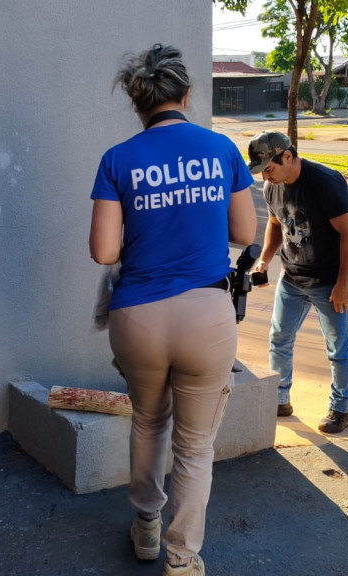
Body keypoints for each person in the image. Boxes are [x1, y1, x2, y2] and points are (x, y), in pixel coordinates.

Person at [89, 44, 257, 576]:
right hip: (206, 314)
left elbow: (104, 253)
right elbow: (244, 233)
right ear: (186, 95)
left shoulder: (117, 159)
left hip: (138, 315)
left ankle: (146, 526)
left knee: (147, 422)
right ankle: (182, 560)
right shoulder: (221, 148)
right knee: (195, 447)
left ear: (138, 104)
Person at [248, 131, 348, 434]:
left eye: (268, 169)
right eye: (261, 172)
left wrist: (343, 283)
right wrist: (265, 260)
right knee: (279, 339)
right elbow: (276, 224)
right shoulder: (272, 187)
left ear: (287, 156)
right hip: (291, 278)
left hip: (328, 282)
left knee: (337, 348)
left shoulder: (326, 182)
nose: (265, 177)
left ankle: (340, 409)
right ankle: (279, 398)